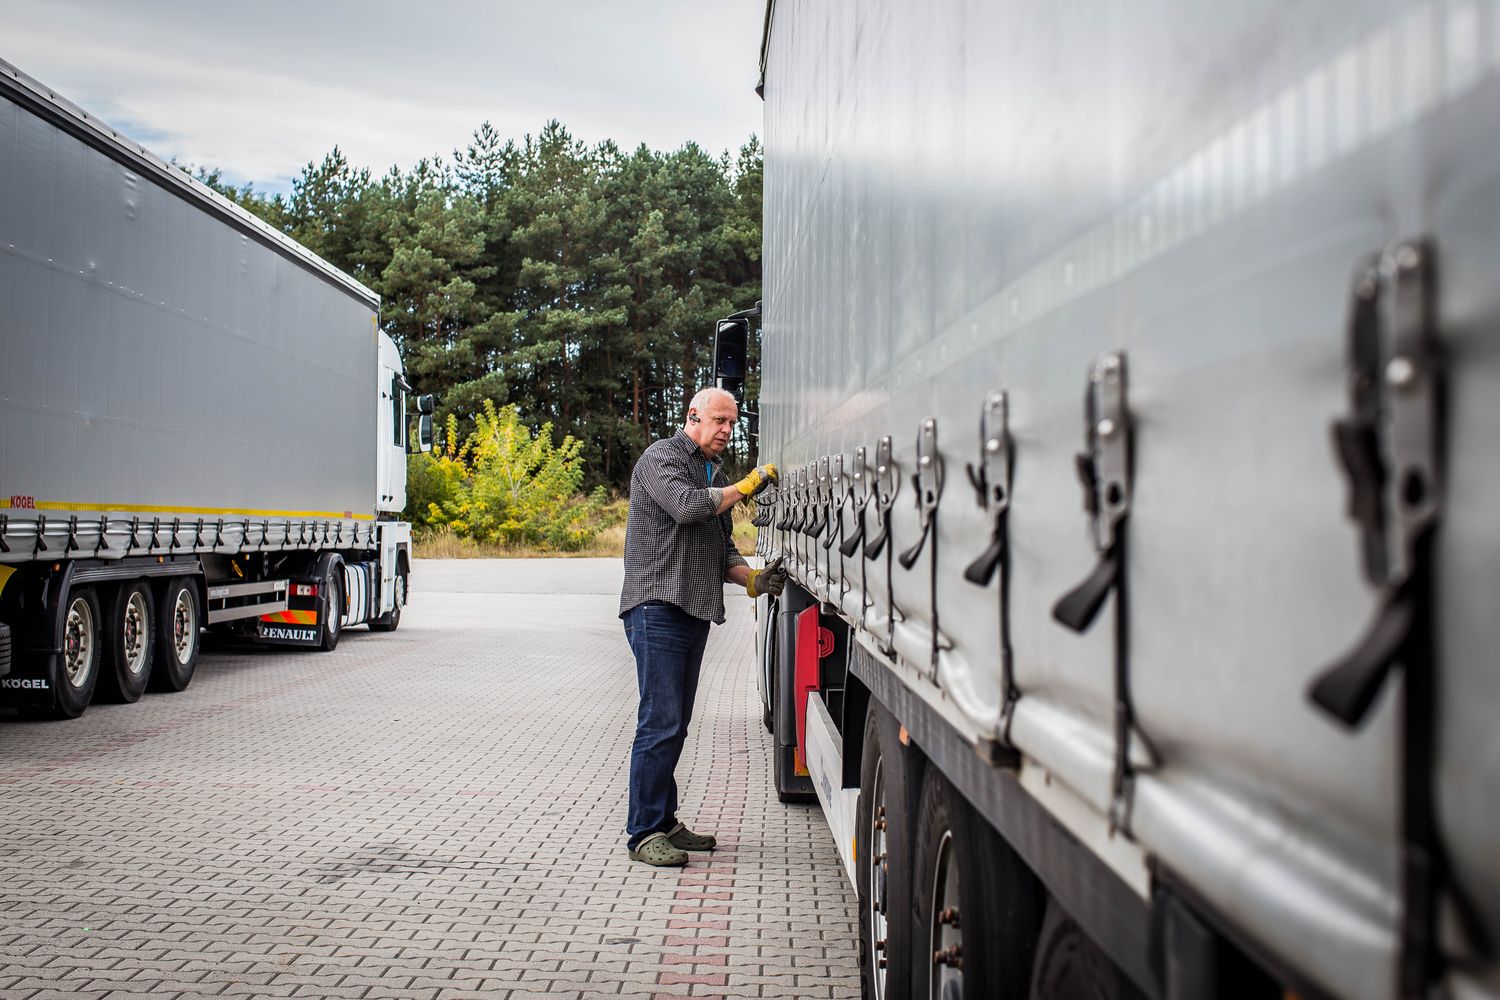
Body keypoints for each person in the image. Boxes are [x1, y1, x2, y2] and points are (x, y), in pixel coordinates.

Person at [619, 387, 786, 866]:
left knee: (675, 724)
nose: (726, 431)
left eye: (732, 423)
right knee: (660, 723)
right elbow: (689, 507)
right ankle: (643, 832)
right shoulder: (662, 458)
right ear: (692, 416)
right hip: (656, 608)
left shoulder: (714, 473)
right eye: (719, 421)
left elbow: (721, 549)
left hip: (689, 610)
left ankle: (665, 821)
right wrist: (747, 486)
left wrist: (752, 579)